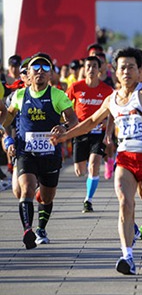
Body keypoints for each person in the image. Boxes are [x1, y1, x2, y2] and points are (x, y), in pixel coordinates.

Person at [52, 34, 142, 274]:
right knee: (125, 203)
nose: (126, 71)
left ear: (140, 71)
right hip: (126, 158)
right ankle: (127, 256)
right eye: (122, 67)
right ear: (115, 72)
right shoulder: (112, 99)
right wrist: (64, 136)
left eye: (131, 67)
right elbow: (90, 122)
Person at [5, 53, 77, 249]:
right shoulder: (20, 96)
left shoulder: (57, 95)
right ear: (28, 74)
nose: (40, 71)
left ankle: (41, 229)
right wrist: (7, 138)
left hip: (50, 154)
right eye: (35, 68)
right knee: (26, 189)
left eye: (45, 68)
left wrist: (63, 127)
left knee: (47, 197)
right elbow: (6, 120)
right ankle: (27, 230)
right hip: (26, 152)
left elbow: (73, 119)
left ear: (50, 74)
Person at [65, 56, 114, 213]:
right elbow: (64, 106)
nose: (91, 69)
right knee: (80, 171)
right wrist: (68, 122)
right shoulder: (75, 87)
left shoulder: (107, 90)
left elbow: (113, 113)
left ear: (99, 69)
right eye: (88, 66)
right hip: (80, 132)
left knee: (94, 164)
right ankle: (88, 173)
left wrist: (108, 131)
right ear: (84, 69)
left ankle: (88, 200)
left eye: (94, 66)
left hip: (98, 133)